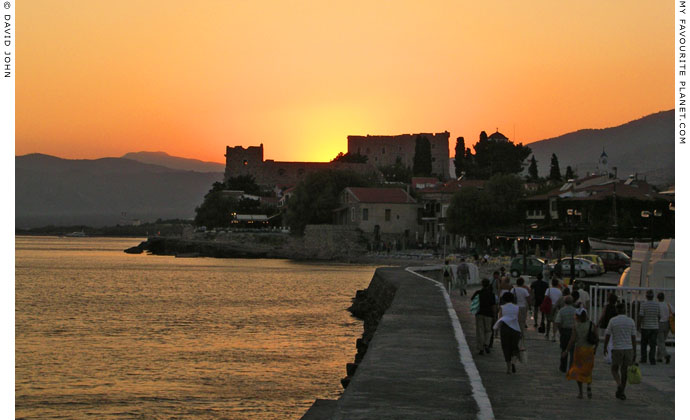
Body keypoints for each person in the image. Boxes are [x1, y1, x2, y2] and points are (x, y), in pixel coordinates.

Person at [604, 302, 637, 400]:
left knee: (614, 369)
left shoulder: (613, 321)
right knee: (624, 371)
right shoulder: (631, 321)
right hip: (628, 348)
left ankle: (619, 384)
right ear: (625, 310)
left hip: (617, 348)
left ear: (617, 310)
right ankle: (622, 391)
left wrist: (605, 347)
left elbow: (607, 334)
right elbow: (633, 337)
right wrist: (634, 351)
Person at [564, 307, 598, 399]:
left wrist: (566, 350)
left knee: (578, 371)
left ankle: (580, 392)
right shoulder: (592, 324)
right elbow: (596, 337)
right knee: (588, 370)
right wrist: (595, 349)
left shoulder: (576, 326)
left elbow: (572, 339)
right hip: (589, 350)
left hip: (579, 350)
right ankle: (589, 385)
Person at [494, 292, 522, 374]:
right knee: (515, 346)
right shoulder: (517, 307)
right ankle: (513, 361)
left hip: (505, 329)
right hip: (515, 329)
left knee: (506, 347)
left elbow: (500, 319)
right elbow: (520, 320)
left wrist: (496, 331)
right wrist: (522, 332)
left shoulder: (502, 307)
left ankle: (508, 368)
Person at [472, 279, 497, 355]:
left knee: (480, 331)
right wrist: (495, 315)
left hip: (479, 313)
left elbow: (472, 300)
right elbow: (493, 306)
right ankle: (486, 343)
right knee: (488, 330)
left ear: (482, 284)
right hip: (489, 314)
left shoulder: (478, 293)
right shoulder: (491, 294)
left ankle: (481, 348)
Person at [638, 289, 660, 364]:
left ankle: (643, 359)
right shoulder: (657, 304)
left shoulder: (643, 304)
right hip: (654, 327)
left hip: (645, 327)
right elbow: (659, 316)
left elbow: (641, 316)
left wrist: (638, 326)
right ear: (653, 296)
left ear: (646, 296)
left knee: (644, 344)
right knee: (653, 345)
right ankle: (652, 359)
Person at [555, 296, 577, 372]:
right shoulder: (575, 310)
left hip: (564, 331)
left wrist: (560, 330)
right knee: (572, 351)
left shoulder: (562, 310)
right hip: (573, 331)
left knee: (564, 349)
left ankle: (563, 367)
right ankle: (571, 367)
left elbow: (557, 322)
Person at [598, 293, 619, 364]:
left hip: (607, 325)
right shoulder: (616, 308)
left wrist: (598, 323)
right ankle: (612, 357)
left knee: (607, 341)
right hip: (614, 326)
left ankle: (608, 357)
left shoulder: (606, 307)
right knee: (613, 342)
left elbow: (603, 315)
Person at [656, 292, 674, 364]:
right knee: (662, 341)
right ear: (664, 297)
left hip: (660, 323)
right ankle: (659, 357)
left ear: (658, 298)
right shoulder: (668, 304)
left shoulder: (657, 305)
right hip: (667, 324)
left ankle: (666, 355)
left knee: (660, 342)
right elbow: (674, 313)